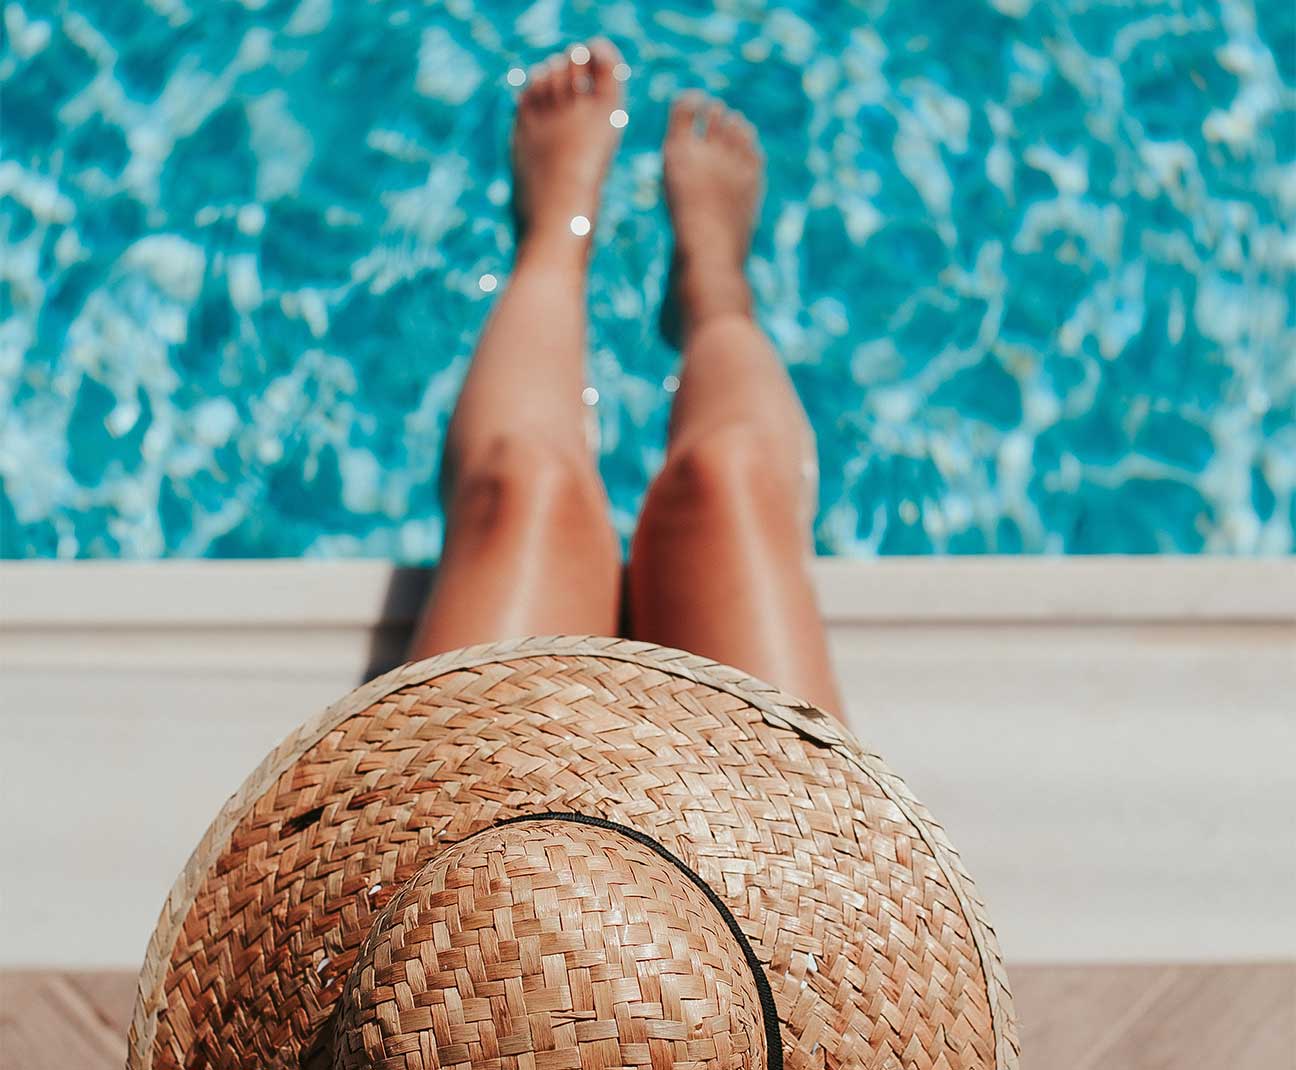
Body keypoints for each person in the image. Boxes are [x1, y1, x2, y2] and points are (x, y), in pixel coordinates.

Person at [409, 39, 844, 717]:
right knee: (728, 476)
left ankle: (558, 237)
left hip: (477, 819)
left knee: (520, 483)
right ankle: (711, 285)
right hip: (746, 821)